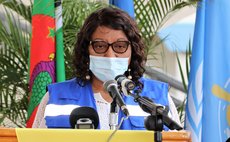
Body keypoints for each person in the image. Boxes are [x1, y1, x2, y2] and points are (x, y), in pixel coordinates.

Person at [32, 6, 181, 130]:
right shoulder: (56, 97)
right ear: (86, 50)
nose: (110, 54)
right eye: (100, 46)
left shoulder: (158, 98)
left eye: (120, 46)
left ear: (132, 51)